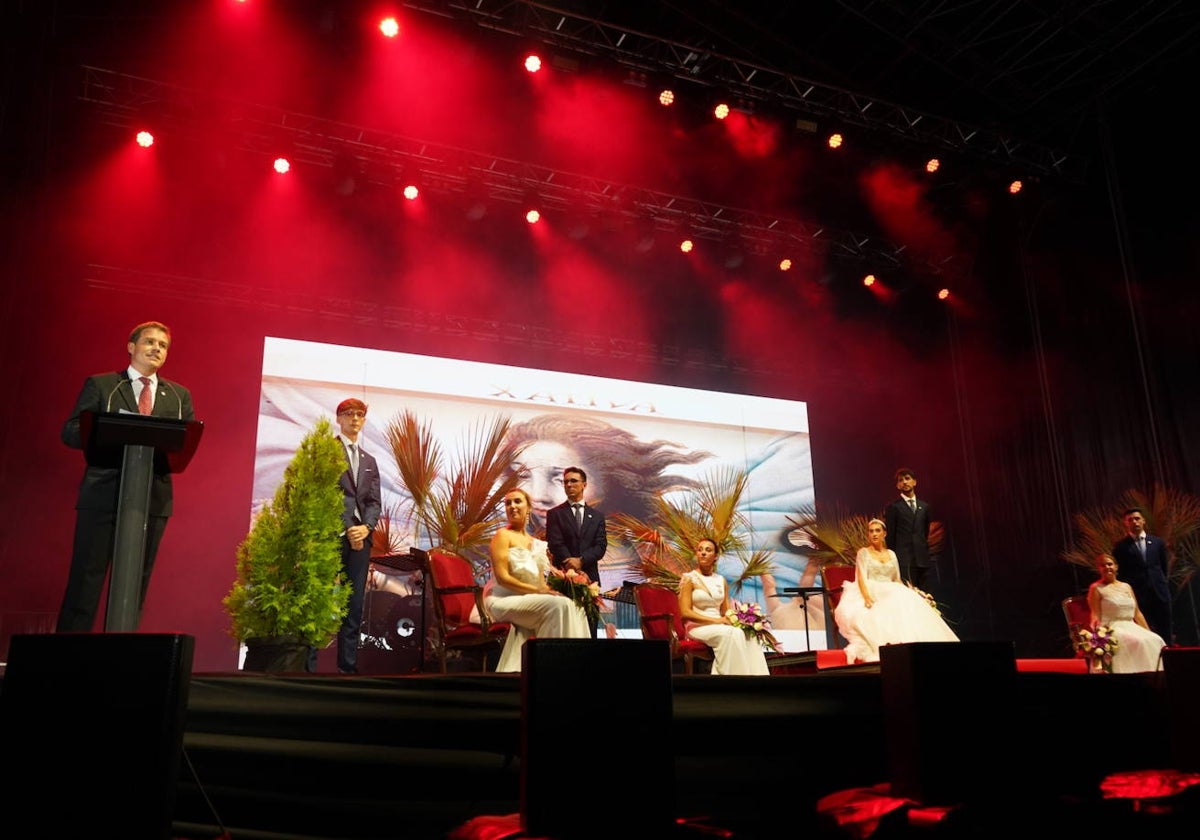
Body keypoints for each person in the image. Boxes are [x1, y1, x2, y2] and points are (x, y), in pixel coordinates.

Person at [56, 320, 196, 632]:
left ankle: (121, 655)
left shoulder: (178, 396)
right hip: (103, 492)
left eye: (162, 345)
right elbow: (71, 431)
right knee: (86, 579)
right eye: (149, 342)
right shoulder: (104, 385)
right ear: (131, 347)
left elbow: (185, 442)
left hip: (152, 498)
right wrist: (108, 432)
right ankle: (65, 656)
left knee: (136, 582)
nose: (156, 349)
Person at [485, 488, 590, 672]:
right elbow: (503, 579)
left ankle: (576, 668)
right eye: (508, 503)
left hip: (528, 598)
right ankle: (546, 670)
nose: (512, 506)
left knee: (574, 606)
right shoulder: (502, 536)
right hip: (502, 600)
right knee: (557, 607)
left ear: (528, 508)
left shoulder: (535, 543)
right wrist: (538, 591)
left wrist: (560, 586)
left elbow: (540, 582)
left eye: (517, 501)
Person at [312, 398, 383, 674]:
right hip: (331, 536)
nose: (355, 419)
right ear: (339, 418)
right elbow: (323, 493)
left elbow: (374, 502)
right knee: (319, 601)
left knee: (353, 606)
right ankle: (310, 669)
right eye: (349, 414)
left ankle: (347, 669)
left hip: (360, 540)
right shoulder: (326, 451)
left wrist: (365, 528)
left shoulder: (370, 461)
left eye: (360, 415)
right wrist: (347, 526)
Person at [833, 518, 958, 664]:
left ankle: (920, 645)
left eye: (877, 531)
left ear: (884, 534)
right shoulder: (864, 553)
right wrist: (867, 598)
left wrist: (910, 592)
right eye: (871, 531)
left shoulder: (891, 554)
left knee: (907, 600)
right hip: (872, 588)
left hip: (891, 588)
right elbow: (861, 578)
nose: (874, 534)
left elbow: (897, 579)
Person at [677, 538, 770, 675]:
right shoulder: (689, 578)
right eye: (700, 549)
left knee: (748, 635)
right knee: (731, 634)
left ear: (715, 557)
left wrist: (744, 622)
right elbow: (685, 613)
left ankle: (757, 680)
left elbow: (726, 611)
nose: (703, 553)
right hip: (697, 627)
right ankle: (728, 680)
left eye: (708, 550)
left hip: (719, 625)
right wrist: (717, 621)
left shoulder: (721, 580)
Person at [545, 466, 607, 639]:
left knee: (590, 628)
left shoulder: (597, 516)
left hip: (590, 579)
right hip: (563, 579)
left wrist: (581, 561)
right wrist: (569, 562)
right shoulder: (554, 514)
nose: (569, 484)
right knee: (564, 630)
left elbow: (601, 546)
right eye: (565, 482)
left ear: (584, 485)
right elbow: (555, 542)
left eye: (573, 481)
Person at [1086, 554, 1165, 673]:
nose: (1107, 567)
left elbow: (1137, 613)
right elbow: (1095, 614)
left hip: (1131, 625)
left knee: (1155, 640)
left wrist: (1148, 631)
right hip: (1112, 628)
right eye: (1103, 565)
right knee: (1140, 642)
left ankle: (1155, 677)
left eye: (1110, 564)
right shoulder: (1096, 588)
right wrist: (1096, 636)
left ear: (1116, 567)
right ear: (1099, 569)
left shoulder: (1126, 586)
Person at [1111, 507, 1172, 643]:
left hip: (1159, 592)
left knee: (1165, 627)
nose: (1134, 522)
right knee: (1144, 631)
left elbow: (1163, 567)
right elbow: (1122, 573)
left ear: (1143, 520)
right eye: (1130, 520)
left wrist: (1161, 584)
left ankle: (1169, 657)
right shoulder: (1120, 547)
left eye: (1137, 518)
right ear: (1125, 523)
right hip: (1139, 595)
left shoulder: (1157, 542)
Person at [883, 467, 932, 589]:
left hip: (922, 559)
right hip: (904, 560)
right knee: (909, 595)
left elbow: (925, 532)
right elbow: (891, 537)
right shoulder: (893, 507)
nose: (904, 482)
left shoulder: (924, 507)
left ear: (914, 482)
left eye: (907, 478)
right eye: (901, 480)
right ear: (897, 485)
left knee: (926, 596)